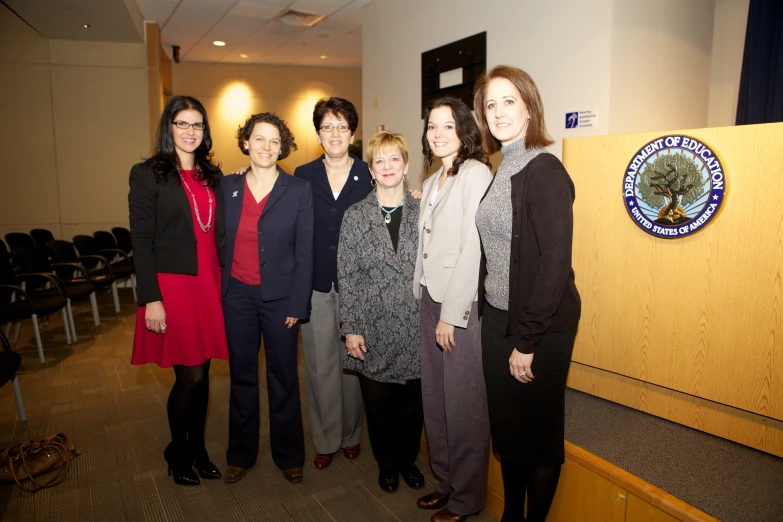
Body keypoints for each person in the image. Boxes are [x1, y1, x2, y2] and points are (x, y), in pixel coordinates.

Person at [473, 66, 581, 522]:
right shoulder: (503, 167)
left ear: (529, 107)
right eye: (490, 105)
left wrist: (527, 341)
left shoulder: (545, 169)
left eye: (508, 101)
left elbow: (554, 265)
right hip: (499, 319)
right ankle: (510, 515)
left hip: (540, 326)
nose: (498, 112)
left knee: (536, 437)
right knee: (509, 431)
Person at [129, 95, 227, 486]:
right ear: (168, 128)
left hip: (209, 283)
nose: (190, 131)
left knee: (202, 372)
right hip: (173, 287)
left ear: (205, 131)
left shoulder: (213, 176)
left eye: (197, 125)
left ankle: (199, 449)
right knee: (189, 378)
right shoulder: (147, 173)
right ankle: (177, 450)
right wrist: (151, 298)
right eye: (182, 123)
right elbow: (141, 239)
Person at [221, 112, 314, 485]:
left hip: (280, 299)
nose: (266, 147)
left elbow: (305, 252)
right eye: (259, 139)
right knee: (241, 376)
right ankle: (240, 454)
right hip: (237, 297)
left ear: (283, 147)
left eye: (275, 141)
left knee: (283, 377)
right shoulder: (226, 187)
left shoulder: (297, 190)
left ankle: (289, 455)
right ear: (245, 143)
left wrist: (297, 304)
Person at [413, 97, 493, 522]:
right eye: (432, 127)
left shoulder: (476, 174)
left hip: (456, 305)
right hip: (429, 297)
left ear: (464, 130)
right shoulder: (431, 180)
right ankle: (445, 483)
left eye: (447, 126)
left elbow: (472, 249)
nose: (438, 134)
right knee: (436, 400)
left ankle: (467, 498)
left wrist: (451, 314)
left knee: (463, 404)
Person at [337, 131, 424, 493]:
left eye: (394, 159)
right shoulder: (355, 216)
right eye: (379, 161)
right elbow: (347, 274)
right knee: (378, 405)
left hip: (417, 325)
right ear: (370, 169)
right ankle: (387, 464)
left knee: (411, 405)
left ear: (405, 165)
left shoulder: (425, 209)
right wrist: (351, 328)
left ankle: (407, 461)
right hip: (371, 327)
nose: (387, 167)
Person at [293, 97, 371, 470]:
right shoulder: (302, 174)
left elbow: (392, 207)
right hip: (317, 282)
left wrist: (415, 195)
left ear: (353, 133)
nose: (335, 134)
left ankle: (352, 433)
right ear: (318, 133)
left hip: (359, 285)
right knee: (320, 363)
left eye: (342, 126)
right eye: (327, 127)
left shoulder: (370, 173)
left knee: (352, 362)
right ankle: (325, 439)